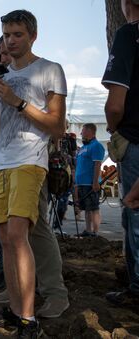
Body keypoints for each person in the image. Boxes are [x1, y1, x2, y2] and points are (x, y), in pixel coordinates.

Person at [0, 9, 67, 337]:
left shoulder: (50, 70)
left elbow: (57, 126)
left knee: (18, 236)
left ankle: (30, 319)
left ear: (32, 36)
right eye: (6, 35)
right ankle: (17, 314)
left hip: (30, 161)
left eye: (17, 34)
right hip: (0, 162)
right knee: (4, 240)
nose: (11, 41)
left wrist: (16, 100)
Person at [102, 0, 139, 306]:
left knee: (134, 211)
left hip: (135, 138)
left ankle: (136, 287)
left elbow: (115, 105)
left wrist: (115, 130)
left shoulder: (129, 34)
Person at [74, 123, 105, 237]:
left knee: (93, 208)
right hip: (81, 183)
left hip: (90, 183)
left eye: (83, 131)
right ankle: (88, 230)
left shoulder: (96, 146)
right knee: (86, 209)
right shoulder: (83, 148)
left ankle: (95, 232)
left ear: (89, 131)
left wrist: (95, 182)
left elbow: (97, 164)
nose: (81, 133)